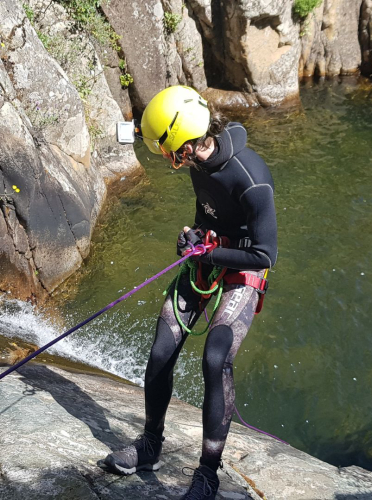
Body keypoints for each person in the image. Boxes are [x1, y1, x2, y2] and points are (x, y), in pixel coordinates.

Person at [98, 86, 278, 500]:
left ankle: (207, 475)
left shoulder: (252, 178)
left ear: (186, 141)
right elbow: (208, 211)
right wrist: (194, 235)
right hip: (211, 253)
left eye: (167, 150)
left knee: (216, 359)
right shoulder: (198, 161)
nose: (166, 159)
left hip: (242, 265)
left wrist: (212, 253)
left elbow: (265, 254)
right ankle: (150, 445)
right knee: (162, 348)